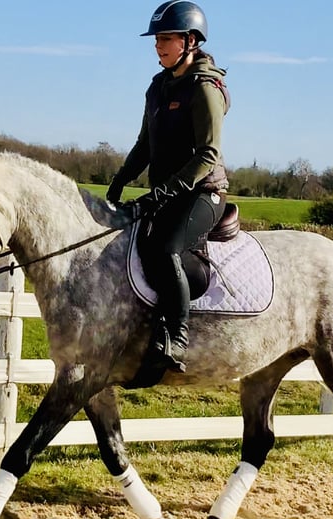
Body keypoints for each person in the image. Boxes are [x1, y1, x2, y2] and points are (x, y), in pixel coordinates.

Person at [106, 0, 230, 375]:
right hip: (168, 192)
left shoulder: (205, 88)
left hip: (203, 193)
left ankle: (177, 337)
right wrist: (120, 180)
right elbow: (145, 144)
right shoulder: (158, 86)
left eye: (166, 38)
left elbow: (208, 155)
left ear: (190, 41)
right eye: (156, 39)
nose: (158, 45)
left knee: (164, 247)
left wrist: (158, 195)